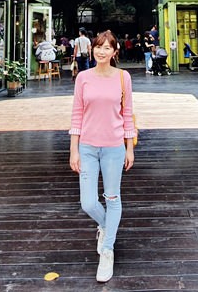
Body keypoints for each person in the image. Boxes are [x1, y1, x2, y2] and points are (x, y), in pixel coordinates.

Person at [69, 31, 136, 283]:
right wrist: (73, 149)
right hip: (86, 146)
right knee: (88, 202)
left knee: (112, 197)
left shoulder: (123, 77)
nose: (102, 51)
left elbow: (127, 113)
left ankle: (107, 250)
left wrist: (129, 148)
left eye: (108, 47)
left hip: (114, 147)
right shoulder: (83, 78)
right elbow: (77, 114)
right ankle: (107, 226)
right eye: (99, 47)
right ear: (92, 49)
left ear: (115, 51)